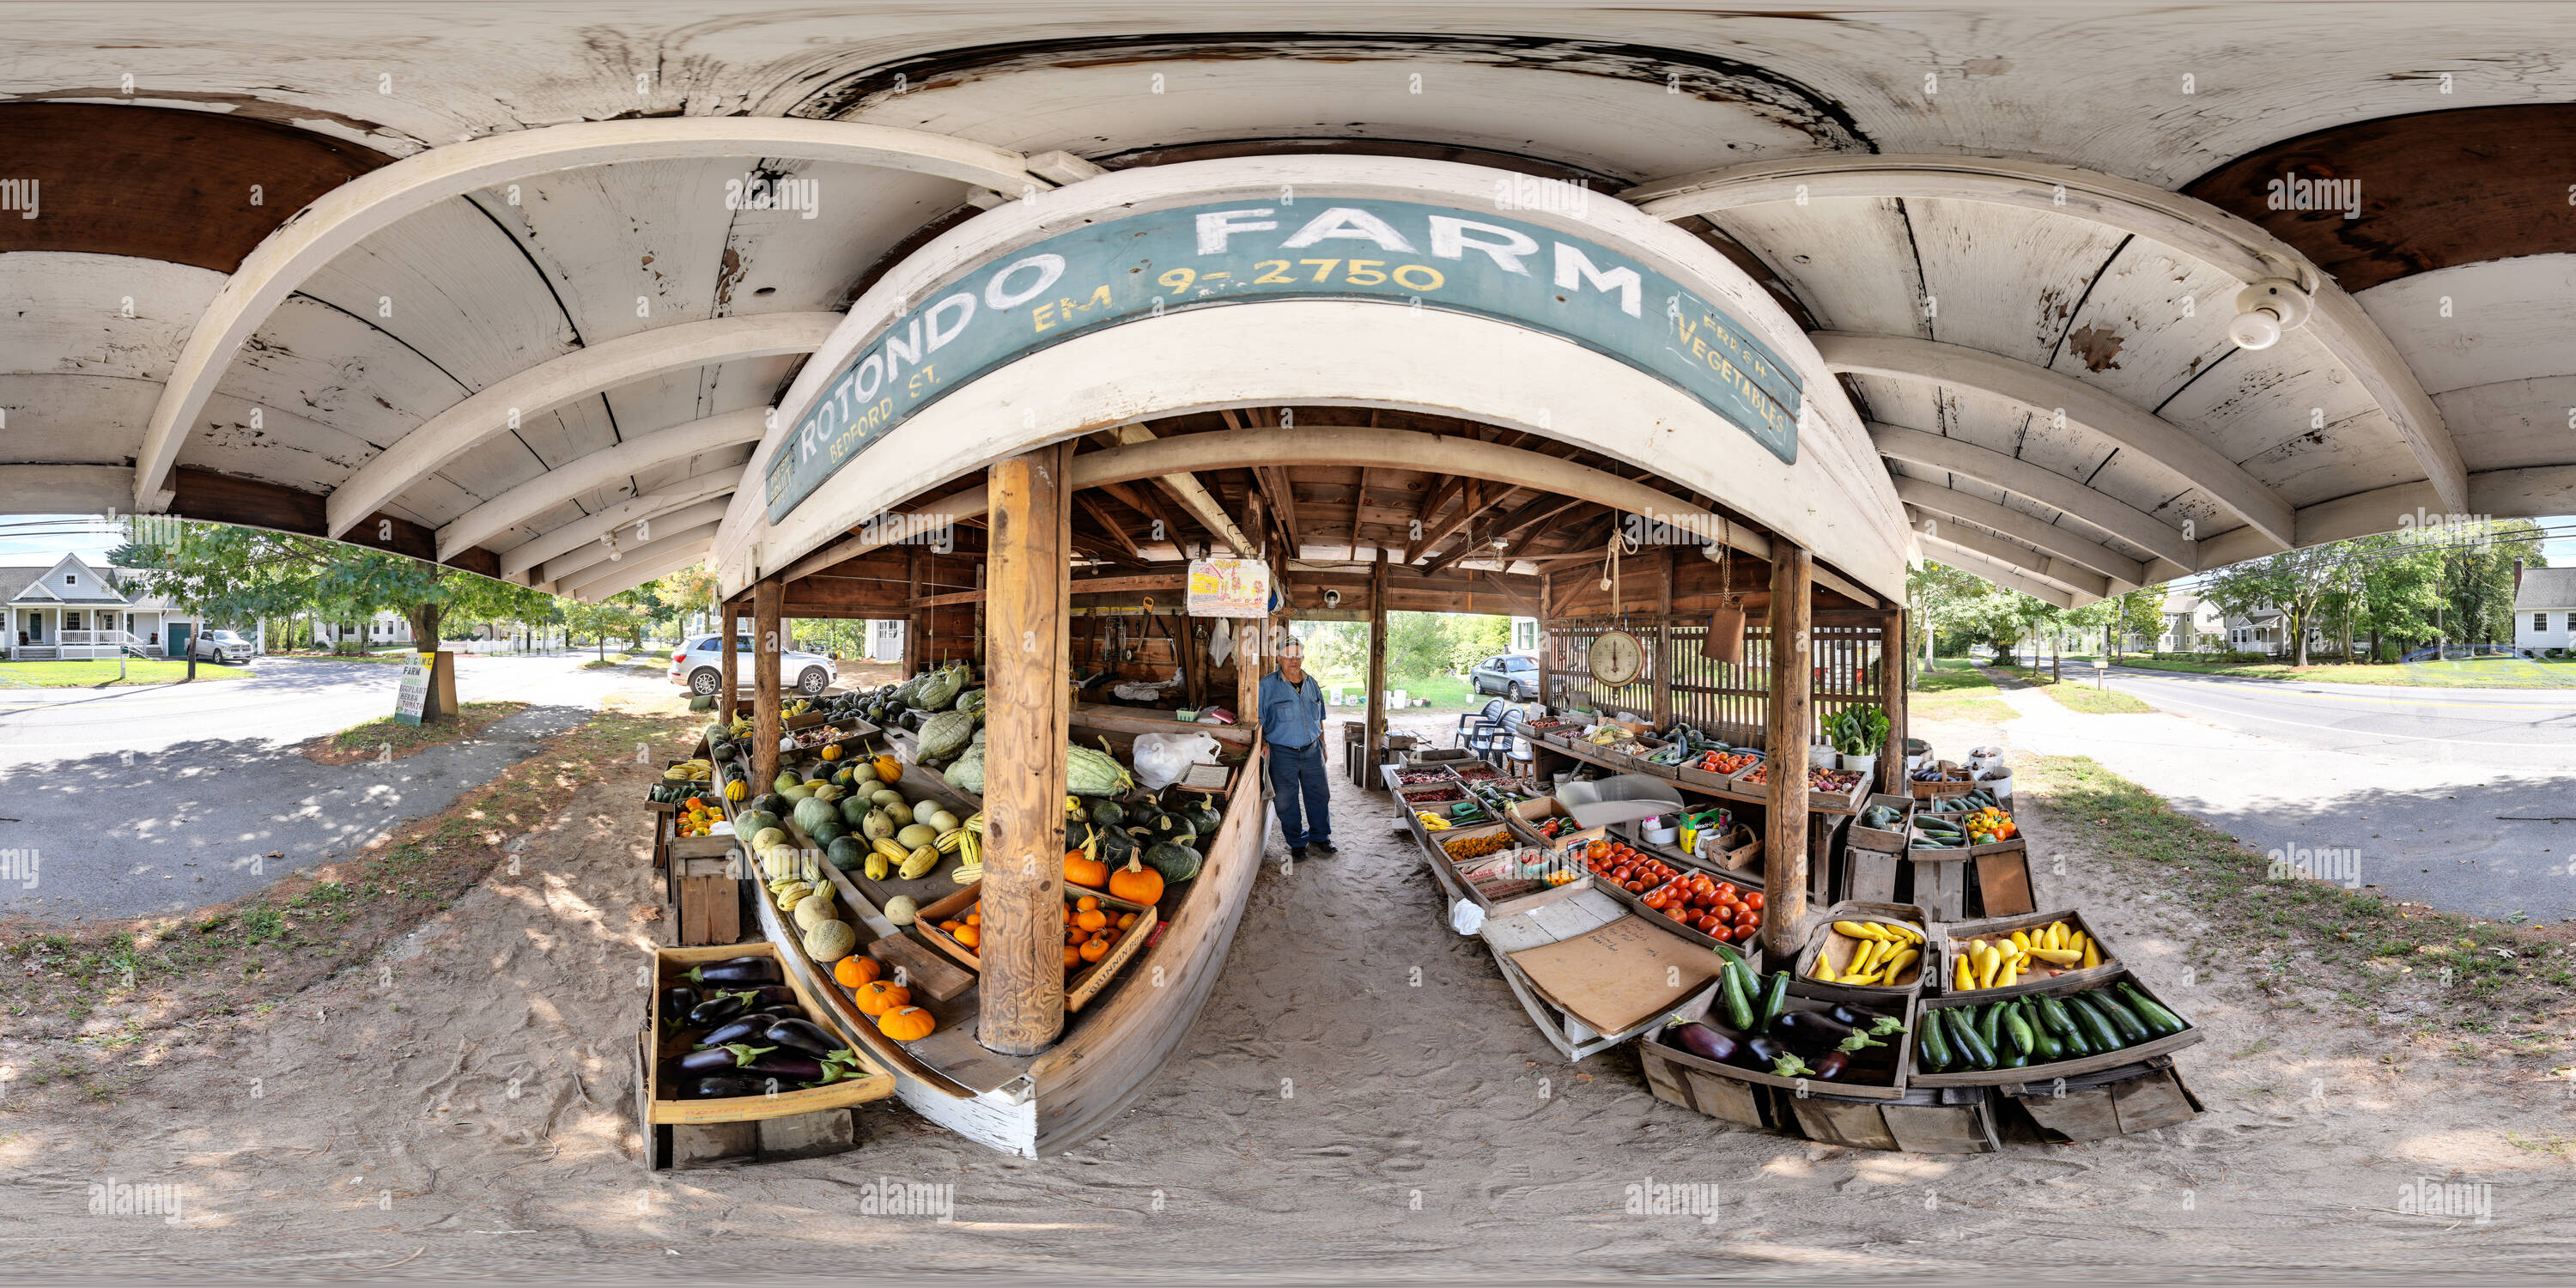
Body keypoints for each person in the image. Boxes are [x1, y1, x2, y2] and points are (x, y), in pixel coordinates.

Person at [1257, 636, 1336, 860]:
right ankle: (1297, 843)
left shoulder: (1312, 683)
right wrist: (1262, 742)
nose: (1293, 660)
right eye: (1288, 655)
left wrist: (1323, 745)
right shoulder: (1267, 686)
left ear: (1302, 657)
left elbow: (1319, 718)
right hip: (1282, 752)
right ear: (1279, 658)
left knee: (1319, 795)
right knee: (1285, 800)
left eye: (1297, 655)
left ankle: (1320, 837)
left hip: (1312, 749)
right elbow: (1258, 719)